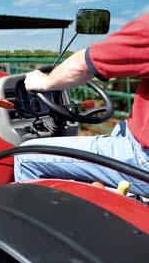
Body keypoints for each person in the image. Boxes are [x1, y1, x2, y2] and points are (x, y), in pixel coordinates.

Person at [14, 13, 149, 196]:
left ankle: (39, 222)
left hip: (143, 159)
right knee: (122, 128)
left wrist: (45, 82)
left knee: (25, 156)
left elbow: (83, 65)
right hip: (136, 141)